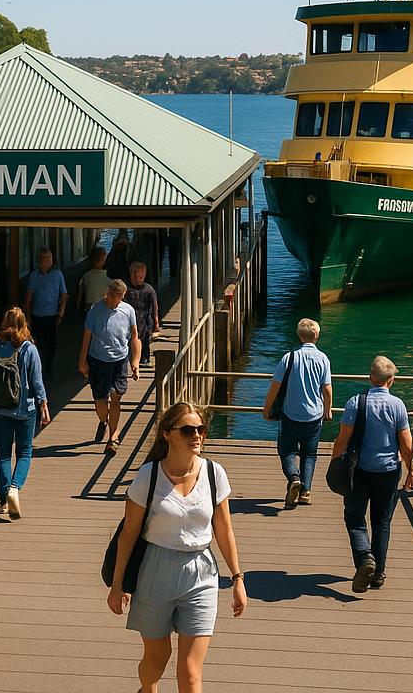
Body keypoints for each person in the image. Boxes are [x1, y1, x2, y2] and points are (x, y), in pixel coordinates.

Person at [107, 401, 247, 693]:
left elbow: (224, 530)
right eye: (187, 430)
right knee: (157, 660)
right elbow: (129, 534)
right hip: (155, 570)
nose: (196, 435)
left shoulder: (214, 473)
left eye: (201, 429)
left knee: (190, 672)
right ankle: (147, 690)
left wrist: (237, 578)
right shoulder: (148, 477)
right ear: (167, 434)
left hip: (202, 573)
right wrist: (118, 585)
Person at [331, 355, 413, 593]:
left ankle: (364, 559)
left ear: (370, 377)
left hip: (359, 471)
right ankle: (378, 574)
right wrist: (411, 469)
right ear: (392, 380)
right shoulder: (398, 405)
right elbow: (406, 444)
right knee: (382, 522)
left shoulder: (355, 403)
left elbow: (343, 440)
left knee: (355, 518)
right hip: (389, 471)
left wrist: (335, 462)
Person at [0, 307, 51, 519]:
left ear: (5, 322)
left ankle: (3, 500)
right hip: (24, 409)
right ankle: (14, 487)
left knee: (3, 454)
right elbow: (36, 380)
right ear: (24, 324)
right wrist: (43, 403)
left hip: (1, 407)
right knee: (24, 452)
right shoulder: (29, 348)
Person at [261, 318, 332, 508]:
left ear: (299, 336)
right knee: (310, 454)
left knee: (287, 451)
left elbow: (275, 386)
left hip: (290, 414)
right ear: (316, 335)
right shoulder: (323, 359)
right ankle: (306, 492)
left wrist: (266, 409)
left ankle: (294, 477)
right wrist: (328, 409)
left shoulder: (289, 358)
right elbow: (327, 389)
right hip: (314, 415)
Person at [78, 278, 140, 455]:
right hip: (98, 360)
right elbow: (87, 336)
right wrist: (82, 361)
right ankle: (103, 420)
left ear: (122, 296)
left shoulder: (128, 311)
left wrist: (135, 362)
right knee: (100, 400)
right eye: (113, 295)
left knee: (115, 396)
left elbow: (134, 336)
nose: (114, 299)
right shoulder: (95, 310)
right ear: (108, 293)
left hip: (120, 360)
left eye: (119, 296)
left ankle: (113, 437)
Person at [22, 247, 67, 381]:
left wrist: (61, 313)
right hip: (37, 315)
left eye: (49, 258)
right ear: (39, 260)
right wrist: (28, 318)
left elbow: (64, 295)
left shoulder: (57, 274)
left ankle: (49, 366)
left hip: (52, 315)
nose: (47, 261)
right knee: (38, 343)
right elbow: (28, 299)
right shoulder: (34, 276)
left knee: (51, 343)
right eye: (44, 258)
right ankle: (38, 367)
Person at [124, 260, 160, 368]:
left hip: (145, 319)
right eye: (135, 276)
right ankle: (131, 357)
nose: (138, 279)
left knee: (145, 341)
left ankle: (145, 358)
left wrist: (156, 322)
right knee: (130, 340)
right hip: (130, 319)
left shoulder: (149, 289)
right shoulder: (127, 289)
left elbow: (155, 307)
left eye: (140, 277)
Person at [77, 247, 111, 313]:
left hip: (89, 309)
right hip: (104, 308)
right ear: (104, 259)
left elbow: (79, 298)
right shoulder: (108, 277)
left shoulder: (85, 276)